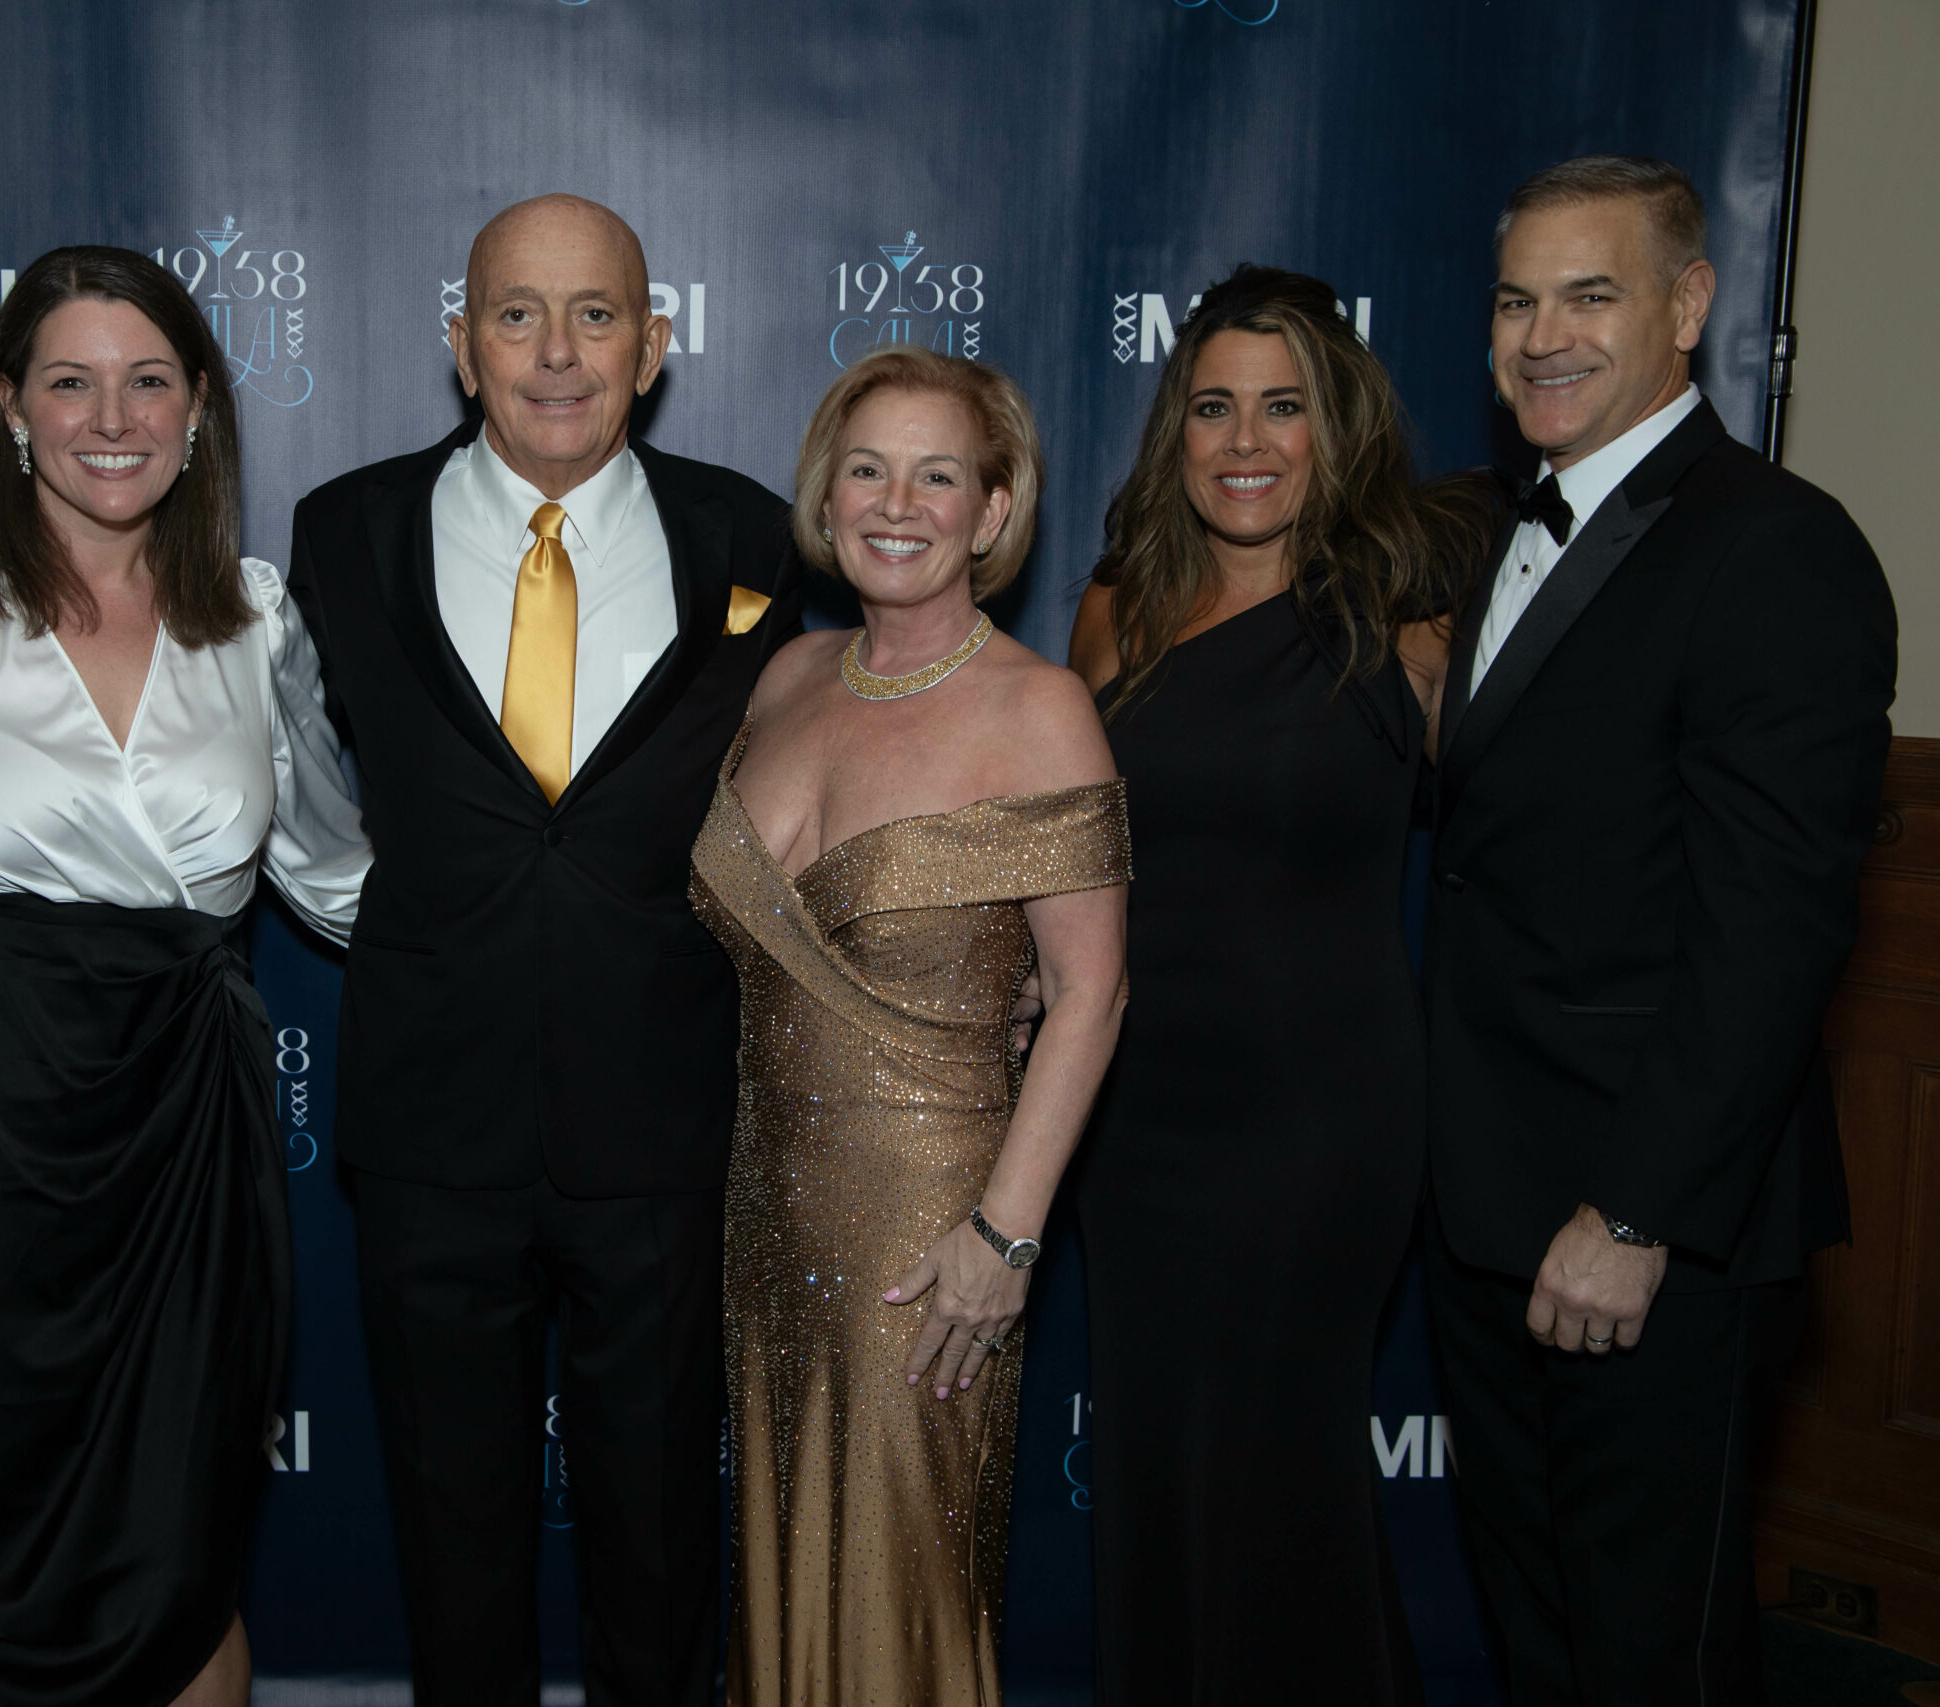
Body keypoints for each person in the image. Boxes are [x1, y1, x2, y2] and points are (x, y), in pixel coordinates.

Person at [0, 245, 367, 1707]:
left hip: (192, 1154)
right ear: (11, 405)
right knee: (7, 1558)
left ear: (197, 410)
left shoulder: (253, 618)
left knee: (183, 1564)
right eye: (69, 380)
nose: (109, 416)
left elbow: (336, 875)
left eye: (147, 380)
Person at [282, 193, 799, 1706]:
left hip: (666, 1124)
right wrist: (402, 923)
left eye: (596, 316)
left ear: (654, 346)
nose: (556, 351)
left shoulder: (757, 536)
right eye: (517, 313)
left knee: (659, 1549)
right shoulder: (343, 528)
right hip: (433, 1129)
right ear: (460, 344)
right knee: (455, 1546)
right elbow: (285, 778)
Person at [1427, 156, 1895, 1704]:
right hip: (1489, 1208)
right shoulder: (1489, 526)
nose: (1541, 335)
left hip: (1650, 1236)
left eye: (1590, 295)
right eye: (1515, 300)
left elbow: (1770, 931)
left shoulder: (1778, 548)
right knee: (1542, 1634)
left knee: (1655, 1660)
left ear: (1691, 307)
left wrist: (1634, 1216)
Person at [1065, 265, 1493, 1703]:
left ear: (1338, 425)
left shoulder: (1416, 628)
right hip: (1133, 1123)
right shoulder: (1114, 616)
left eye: (1284, 406)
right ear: (1173, 433)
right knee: (1158, 1472)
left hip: (1320, 1129)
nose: (1246, 440)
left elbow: (1548, 852)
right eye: (1213, 407)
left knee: (1283, 1475)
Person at [697, 346, 1130, 1706]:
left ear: (994, 512)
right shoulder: (783, 677)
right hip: (767, 1216)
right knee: (788, 1568)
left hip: (927, 1232)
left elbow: (1090, 995)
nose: (898, 501)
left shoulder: (1040, 708)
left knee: (899, 1589)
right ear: (825, 497)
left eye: (938, 474)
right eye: (867, 468)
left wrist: (1006, 1235)